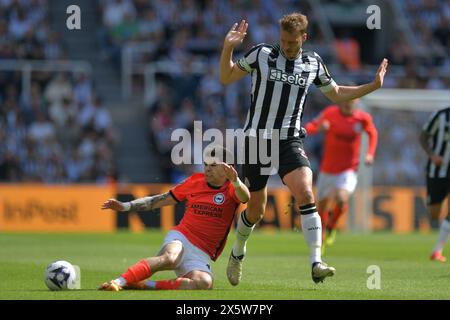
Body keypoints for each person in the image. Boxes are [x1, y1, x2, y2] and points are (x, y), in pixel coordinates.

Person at [219, 13, 388, 285]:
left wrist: (372, 86)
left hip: (289, 141)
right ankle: (238, 253)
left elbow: (336, 93)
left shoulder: (312, 63)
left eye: (292, 42)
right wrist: (228, 46)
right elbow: (226, 77)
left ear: (304, 38)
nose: (287, 47)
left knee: (307, 192)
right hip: (257, 141)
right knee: (255, 211)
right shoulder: (261, 54)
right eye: (284, 41)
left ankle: (316, 262)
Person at [98, 146, 250, 290]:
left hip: (202, 253)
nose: (207, 168)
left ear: (227, 168)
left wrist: (236, 181)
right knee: (171, 258)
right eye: (206, 164)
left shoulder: (232, 188)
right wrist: (126, 206)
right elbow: (158, 200)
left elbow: (245, 197)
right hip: (182, 237)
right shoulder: (195, 182)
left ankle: (145, 284)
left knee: (204, 282)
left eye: (213, 165)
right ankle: (118, 281)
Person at [305, 98, 378, 248]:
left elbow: (373, 133)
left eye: (351, 101)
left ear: (355, 103)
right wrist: (318, 129)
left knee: (341, 197)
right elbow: (309, 126)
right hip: (327, 169)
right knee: (323, 206)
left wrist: (370, 153)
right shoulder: (329, 113)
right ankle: (324, 233)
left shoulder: (362, 118)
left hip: (349, 169)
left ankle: (331, 226)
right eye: (345, 100)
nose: (347, 104)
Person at [419, 106, 450, 262]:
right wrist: (432, 155)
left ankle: (437, 251)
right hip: (436, 171)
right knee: (434, 214)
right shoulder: (441, 115)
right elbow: (423, 137)